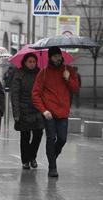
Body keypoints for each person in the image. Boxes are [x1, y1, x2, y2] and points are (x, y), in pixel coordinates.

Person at [32, 46, 79, 177]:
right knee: (51, 138)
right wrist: (43, 110)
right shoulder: (44, 73)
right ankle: (52, 167)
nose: (57, 58)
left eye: (59, 56)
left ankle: (52, 156)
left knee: (62, 139)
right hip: (49, 114)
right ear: (50, 58)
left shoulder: (68, 70)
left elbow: (75, 89)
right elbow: (35, 94)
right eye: (55, 56)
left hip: (63, 112)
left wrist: (68, 79)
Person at [11, 53, 44, 170]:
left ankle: (32, 157)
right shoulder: (19, 75)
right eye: (29, 62)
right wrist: (16, 113)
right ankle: (25, 160)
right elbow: (14, 95)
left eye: (34, 62)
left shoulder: (40, 74)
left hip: (37, 110)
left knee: (38, 134)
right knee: (25, 136)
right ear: (25, 62)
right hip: (24, 110)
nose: (32, 64)